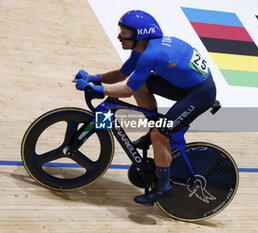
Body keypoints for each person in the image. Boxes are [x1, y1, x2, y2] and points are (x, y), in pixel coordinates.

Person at [73, 10, 216, 206]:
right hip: (184, 85)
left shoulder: (150, 54)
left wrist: (97, 88)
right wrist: (92, 78)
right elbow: (122, 74)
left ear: (140, 35)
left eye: (124, 33)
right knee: (140, 84)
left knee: (160, 134)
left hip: (199, 95)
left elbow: (125, 91)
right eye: (120, 31)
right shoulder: (142, 48)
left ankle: (163, 187)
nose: (119, 37)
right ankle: (156, 132)